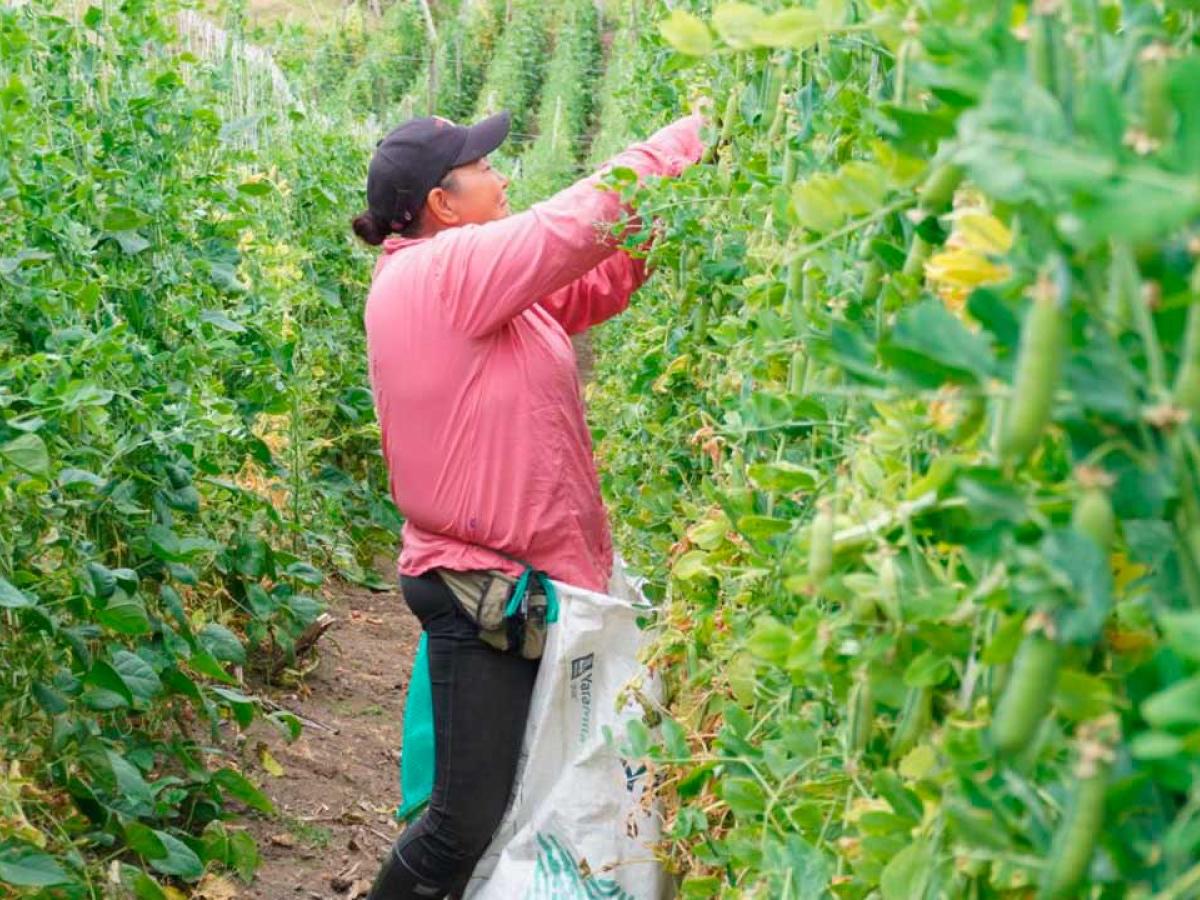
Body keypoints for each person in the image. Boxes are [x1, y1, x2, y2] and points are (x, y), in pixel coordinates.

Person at [354, 106, 706, 899]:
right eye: (484, 167)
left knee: (506, 808)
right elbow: (572, 225)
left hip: (524, 586)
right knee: (459, 824)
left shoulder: (480, 288)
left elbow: (592, 281)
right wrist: (692, 139)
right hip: (484, 591)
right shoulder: (440, 273)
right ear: (443, 203)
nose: (501, 176)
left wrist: (678, 214)